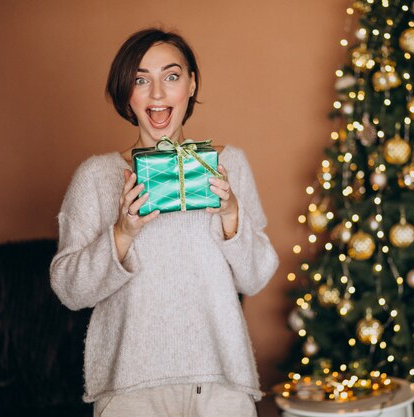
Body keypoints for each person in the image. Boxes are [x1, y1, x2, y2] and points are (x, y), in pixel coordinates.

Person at [49, 28, 279, 417]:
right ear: (126, 93)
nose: (157, 93)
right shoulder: (96, 176)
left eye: (171, 76)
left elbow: (255, 278)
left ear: (191, 85)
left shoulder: (228, 164)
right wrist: (122, 233)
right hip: (130, 391)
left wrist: (230, 214)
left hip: (220, 384)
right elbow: (71, 291)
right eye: (141, 80)